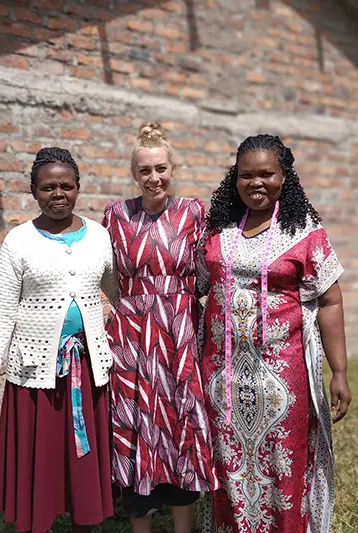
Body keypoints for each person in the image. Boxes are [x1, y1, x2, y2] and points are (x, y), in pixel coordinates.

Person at [197, 134, 352, 533]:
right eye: (246, 175)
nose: (256, 183)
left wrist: (339, 372)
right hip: (223, 377)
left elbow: (330, 301)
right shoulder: (218, 230)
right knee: (229, 463)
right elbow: (194, 285)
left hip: (284, 379)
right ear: (236, 179)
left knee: (285, 464)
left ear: (284, 176)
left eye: (266, 173)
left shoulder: (304, 232)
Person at [0, 147, 119, 533]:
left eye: (66, 186)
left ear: (78, 189)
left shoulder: (99, 237)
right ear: (33, 191)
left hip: (87, 371)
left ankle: (83, 524)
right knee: (42, 464)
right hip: (36, 374)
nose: (58, 194)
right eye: (48, 187)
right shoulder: (19, 241)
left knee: (81, 464)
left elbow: (120, 295)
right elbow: (1, 309)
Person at [103, 123, 218, 533]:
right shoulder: (116, 215)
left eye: (161, 168)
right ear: (134, 174)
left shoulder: (193, 212)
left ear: (173, 169)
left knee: (179, 421)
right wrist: (131, 310)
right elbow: (108, 274)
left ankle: (183, 527)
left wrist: (178, 304)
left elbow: (205, 275)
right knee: (135, 425)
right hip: (132, 336)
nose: (154, 178)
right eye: (145, 170)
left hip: (178, 334)